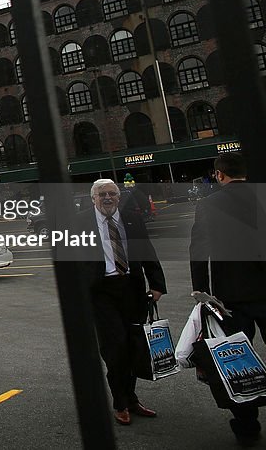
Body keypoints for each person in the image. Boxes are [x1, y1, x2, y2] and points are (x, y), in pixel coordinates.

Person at [190, 152, 266, 444]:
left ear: (219, 175)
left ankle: (247, 424)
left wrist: (201, 291)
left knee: (236, 359)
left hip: (231, 297)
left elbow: (199, 251)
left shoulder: (209, 204)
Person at [78, 178, 167, 426]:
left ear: (119, 197)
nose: (107, 198)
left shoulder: (131, 217)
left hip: (131, 288)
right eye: (102, 194)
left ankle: (132, 398)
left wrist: (157, 283)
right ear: (93, 198)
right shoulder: (79, 222)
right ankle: (121, 403)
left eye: (112, 194)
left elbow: (146, 249)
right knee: (114, 348)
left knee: (133, 346)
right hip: (101, 292)